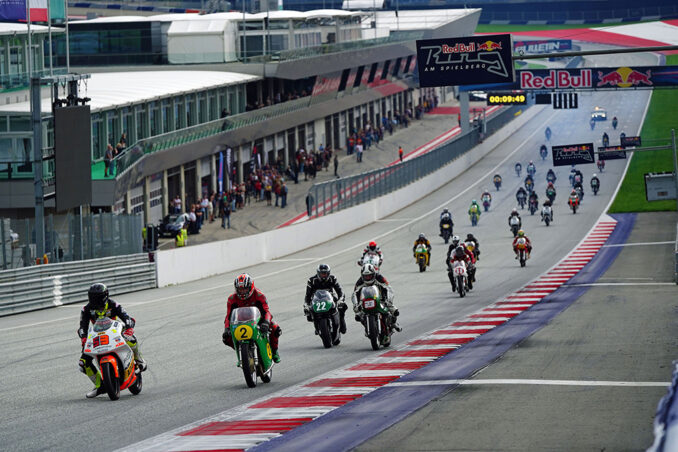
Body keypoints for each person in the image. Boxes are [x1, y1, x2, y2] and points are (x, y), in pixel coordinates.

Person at [78, 283, 146, 398]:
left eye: (97, 297)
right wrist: (84, 337)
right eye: (92, 297)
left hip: (115, 331)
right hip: (97, 335)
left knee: (131, 339)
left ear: (104, 296)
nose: (94, 300)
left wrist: (129, 328)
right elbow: (82, 327)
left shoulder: (113, 304)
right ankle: (99, 385)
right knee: (83, 363)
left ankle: (139, 361)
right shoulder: (86, 309)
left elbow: (126, 317)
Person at [222, 274, 282, 364]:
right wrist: (226, 328)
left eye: (245, 289)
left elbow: (266, 311)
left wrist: (266, 322)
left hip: (258, 321)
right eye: (240, 289)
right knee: (226, 338)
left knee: (275, 328)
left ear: (250, 287)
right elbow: (228, 316)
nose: (242, 292)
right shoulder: (231, 299)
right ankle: (242, 353)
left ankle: (274, 351)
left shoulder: (259, 295)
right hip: (240, 322)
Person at [351, 263, 400, 331]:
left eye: (369, 276)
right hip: (366, 301)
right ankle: (367, 326)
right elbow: (354, 294)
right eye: (365, 276)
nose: (367, 278)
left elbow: (389, 288)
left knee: (395, 311)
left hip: (381, 299)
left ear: (373, 274)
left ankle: (394, 323)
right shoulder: (360, 281)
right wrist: (356, 305)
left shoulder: (379, 277)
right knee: (358, 316)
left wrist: (389, 300)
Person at [304, 264, 347, 333]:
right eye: (322, 274)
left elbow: (340, 291)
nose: (324, 276)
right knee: (308, 311)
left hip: (330, 298)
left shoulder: (332, 278)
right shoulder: (312, 280)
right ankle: (317, 324)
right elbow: (308, 295)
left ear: (329, 273)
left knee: (342, 306)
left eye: (325, 274)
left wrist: (340, 300)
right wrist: (306, 305)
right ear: (318, 273)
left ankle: (341, 321)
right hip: (316, 299)